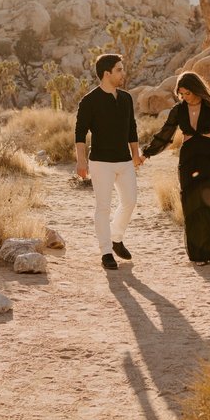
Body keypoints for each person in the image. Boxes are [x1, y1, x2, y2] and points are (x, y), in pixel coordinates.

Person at [142, 71, 210, 265]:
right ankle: (198, 254)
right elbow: (165, 134)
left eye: (188, 93)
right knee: (192, 203)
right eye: (182, 94)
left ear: (196, 89)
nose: (185, 97)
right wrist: (147, 153)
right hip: (189, 160)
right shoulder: (178, 110)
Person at [75, 53, 144, 270]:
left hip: (124, 161)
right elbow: (80, 133)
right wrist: (81, 161)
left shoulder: (126, 98)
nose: (123, 73)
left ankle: (116, 236)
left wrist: (135, 153)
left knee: (130, 201)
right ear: (107, 74)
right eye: (119, 70)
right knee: (103, 207)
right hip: (100, 162)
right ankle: (106, 252)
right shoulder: (89, 101)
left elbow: (131, 127)